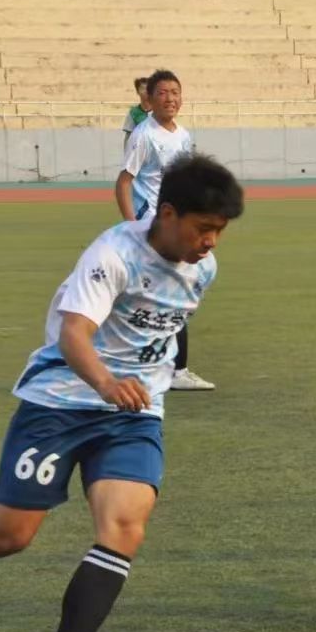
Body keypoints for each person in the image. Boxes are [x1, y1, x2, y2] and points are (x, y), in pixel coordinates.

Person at [0, 155, 244, 632]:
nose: (210, 242)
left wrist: (143, 385)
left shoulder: (204, 269)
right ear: (167, 213)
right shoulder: (112, 254)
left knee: (125, 526)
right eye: (203, 228)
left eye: (219, 230)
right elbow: (74, 333)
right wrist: (105, 382)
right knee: (7, 538)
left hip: (133, 415)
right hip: (59, 403)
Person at [115, 69, 213, 392]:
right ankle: (174, 370)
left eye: (175, 92)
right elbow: (124, 182)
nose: (170, 98)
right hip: (154, 227)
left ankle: (146, 365)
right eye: (163, 93)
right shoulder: (144, 135)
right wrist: (132, 225)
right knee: (173, 294)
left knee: (160, 296)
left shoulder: (182, 134)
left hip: (177, 226)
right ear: (150, 99)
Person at [121, 76, 150, 151]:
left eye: (148, 88)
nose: (145, 91)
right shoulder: (133, 112)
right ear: (137, 92)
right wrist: (127, 154)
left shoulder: (159, 110)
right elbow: (128, 136)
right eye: (142, 88)